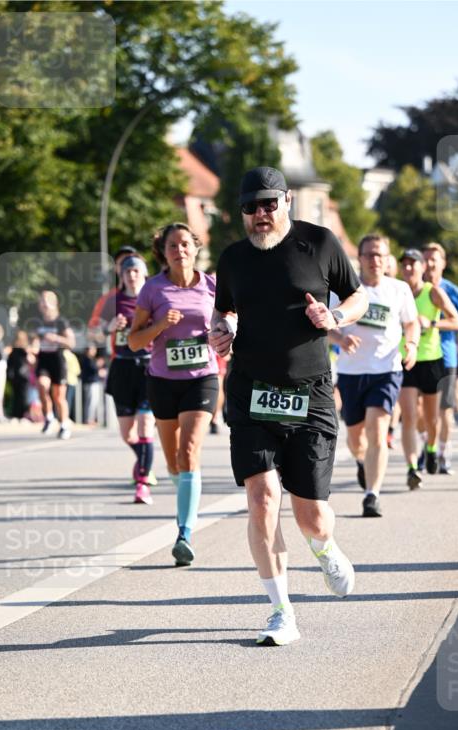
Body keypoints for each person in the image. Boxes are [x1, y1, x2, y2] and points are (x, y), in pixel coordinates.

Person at [209, 166, 368, 646]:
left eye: (268, 204)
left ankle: (325, 548)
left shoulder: (318, 244)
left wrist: (334, 314)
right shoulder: (233, 258)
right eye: (250, 207)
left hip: (311, 391)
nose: (260, 214)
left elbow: (358, 296)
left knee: (310, 515)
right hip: (251, 391)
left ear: (286, 202)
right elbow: (225, 309)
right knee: (261, 500)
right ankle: (281, 612)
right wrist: (223, 331)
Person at [128, 223, 220, 563]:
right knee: (174, 461)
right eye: (172, 245)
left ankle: (185, 533)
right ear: (163, 252)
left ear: (195, 248)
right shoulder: (153, 290)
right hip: (163, 380)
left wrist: (223, 332)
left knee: (190, 449)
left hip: (203, 377)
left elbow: (232, 323)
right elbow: (135, 341)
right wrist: (161, 324)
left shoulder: (212, 285)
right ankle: (185, 495)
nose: (179, 250)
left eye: (184, 244)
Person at [335, 233, 418, 516]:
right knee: (356, 438)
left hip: (386, 369)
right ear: (359, 258)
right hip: (350, 370)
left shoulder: (399, 289)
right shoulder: (343, 289)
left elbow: (411, 323)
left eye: (380, 255)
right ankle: (361, 462)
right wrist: (339, 338)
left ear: (388, 259)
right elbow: (324, 323)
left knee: (378, 431)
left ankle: (372, 495)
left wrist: (412, 344)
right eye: (369, 254)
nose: (375, 260)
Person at [398, 248, 458, 489]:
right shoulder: (397, 291)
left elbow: (456, 321)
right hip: (405, 360)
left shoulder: (433, 292)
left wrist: (432, 323)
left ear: (423, 268)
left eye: (413, 264)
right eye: (405, 264)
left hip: (432, 360)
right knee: (410, 417)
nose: (409, 268)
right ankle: (412, 468)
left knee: (433, 420)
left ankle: (432, 448)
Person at [101, 254, 156, 503]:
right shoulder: (113, 300)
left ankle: (142, 483)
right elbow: (96, 330)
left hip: (149, 366)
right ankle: (143, 458)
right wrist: (111, 326)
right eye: (127, 272)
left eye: (136, 271)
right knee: (127, 434)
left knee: (145, 427)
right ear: (121, 277)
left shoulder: (155, 296)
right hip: (122, 367)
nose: (132, 276)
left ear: (143, 274)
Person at [421, 242, 458, 473]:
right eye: (426, 259)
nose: (430, 263)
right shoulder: (412, 288)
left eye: (434, 259)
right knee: (419, 410)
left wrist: (436, 324)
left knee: (444, 410)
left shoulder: (452, 291)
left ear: (443, 263)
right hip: (418, 356)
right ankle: (427, 445)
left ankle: (442, 453)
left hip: (445, 356)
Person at [27, 290, 75, 439]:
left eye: (47, 301)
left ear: (54, 303)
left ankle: (64, 424)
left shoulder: (61, 322)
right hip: (43, 360)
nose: (44, 304)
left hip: (57, 360)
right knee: (42, 385)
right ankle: (48, 417)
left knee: (59, 397)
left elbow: (71, 343)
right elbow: (34, 340)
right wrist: (31, 351)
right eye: (41, 301)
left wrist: (56, 338)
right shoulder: (37, 322)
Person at [6, 331, 36, 420]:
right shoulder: (15, 350)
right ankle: (17, 414)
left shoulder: (24, 350)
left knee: (22, 396)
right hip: (17, 376)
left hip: (22, 376)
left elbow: (30, 360)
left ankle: (21, 414)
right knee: (17, 396)